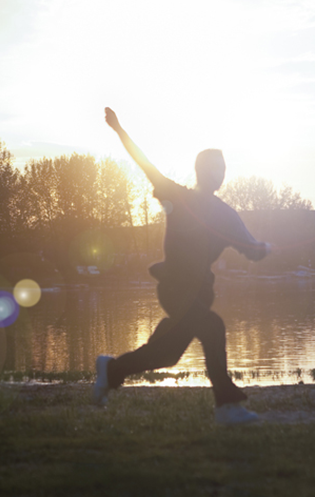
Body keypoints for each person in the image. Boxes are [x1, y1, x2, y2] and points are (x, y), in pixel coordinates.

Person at [93, 107, 270, 425]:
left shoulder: (227, 215)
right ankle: (227, 407)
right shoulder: (178, 195)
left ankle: (112, 370)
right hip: (174, 289)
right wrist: (119, 129)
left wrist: (261, 249)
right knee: (213, 328)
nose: (219, 173)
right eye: (214, 167)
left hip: (200, 294)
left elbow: (250, 249)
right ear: (200, 171)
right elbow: (144, 163)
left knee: (166, 355)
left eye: (223, 168)